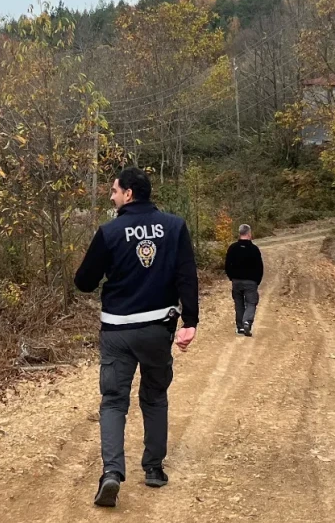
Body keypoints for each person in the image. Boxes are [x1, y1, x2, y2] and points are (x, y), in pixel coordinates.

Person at [74, 167, 199, 508]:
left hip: (117, 330)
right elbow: (187, 275)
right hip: (158, 327)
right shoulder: (174, 227)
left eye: (114, 191)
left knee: (114, 401)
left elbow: (84, 282)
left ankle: (112, 473)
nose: (112, 197)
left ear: (128, 193)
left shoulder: (110, 231)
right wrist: (191, 320)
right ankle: (154, 469)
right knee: (155, 397)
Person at [224, 224, 264, 336]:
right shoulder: (254, 249)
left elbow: (227, 265)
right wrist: (257, 281)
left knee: (239, 304)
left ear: (240, 233)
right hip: (251, 282)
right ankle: (247, 321)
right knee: (251, 302)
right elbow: (260, 267)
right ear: (249, 233)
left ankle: (240, 327)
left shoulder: (232, 248)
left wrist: (231, 277)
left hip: (236, 281)